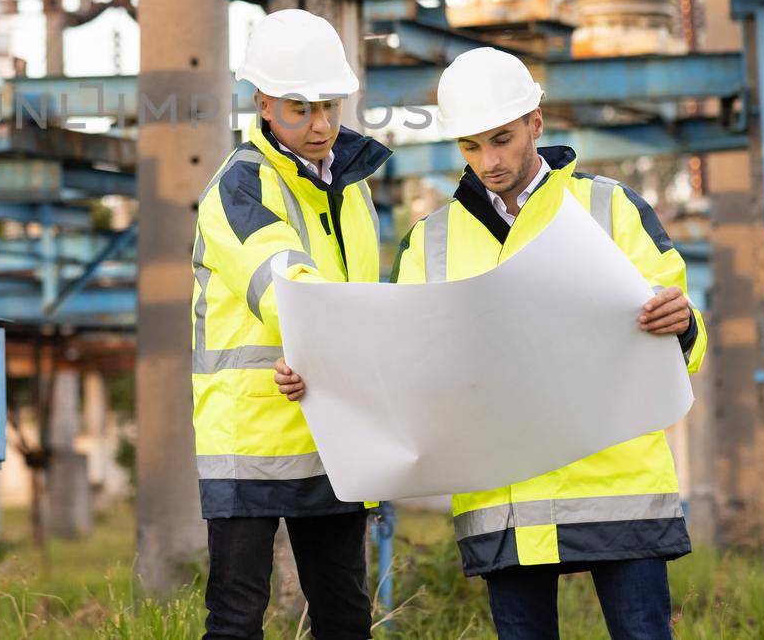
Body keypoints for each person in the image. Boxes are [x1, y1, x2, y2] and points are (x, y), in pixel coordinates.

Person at [275, 46, 706, 640]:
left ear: (535, 122)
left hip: (617, 486)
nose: (489, 161)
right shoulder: (430, 242)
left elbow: (686, 334)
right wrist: (321, 375)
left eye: (501, 139)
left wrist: (681, 323)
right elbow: (394, 359)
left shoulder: (610, 209)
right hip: (501, 503)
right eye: (471, 146)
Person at [191, 8, 392, 640]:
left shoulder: (353, 190)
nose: (321, 124)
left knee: (344, 616)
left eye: (330, 106)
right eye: (301, 107)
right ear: (264, 103)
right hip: (251, 434)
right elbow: (283, 282)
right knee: (236, 618)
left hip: (332, 430)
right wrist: (324, 342)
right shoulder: (239, 186)